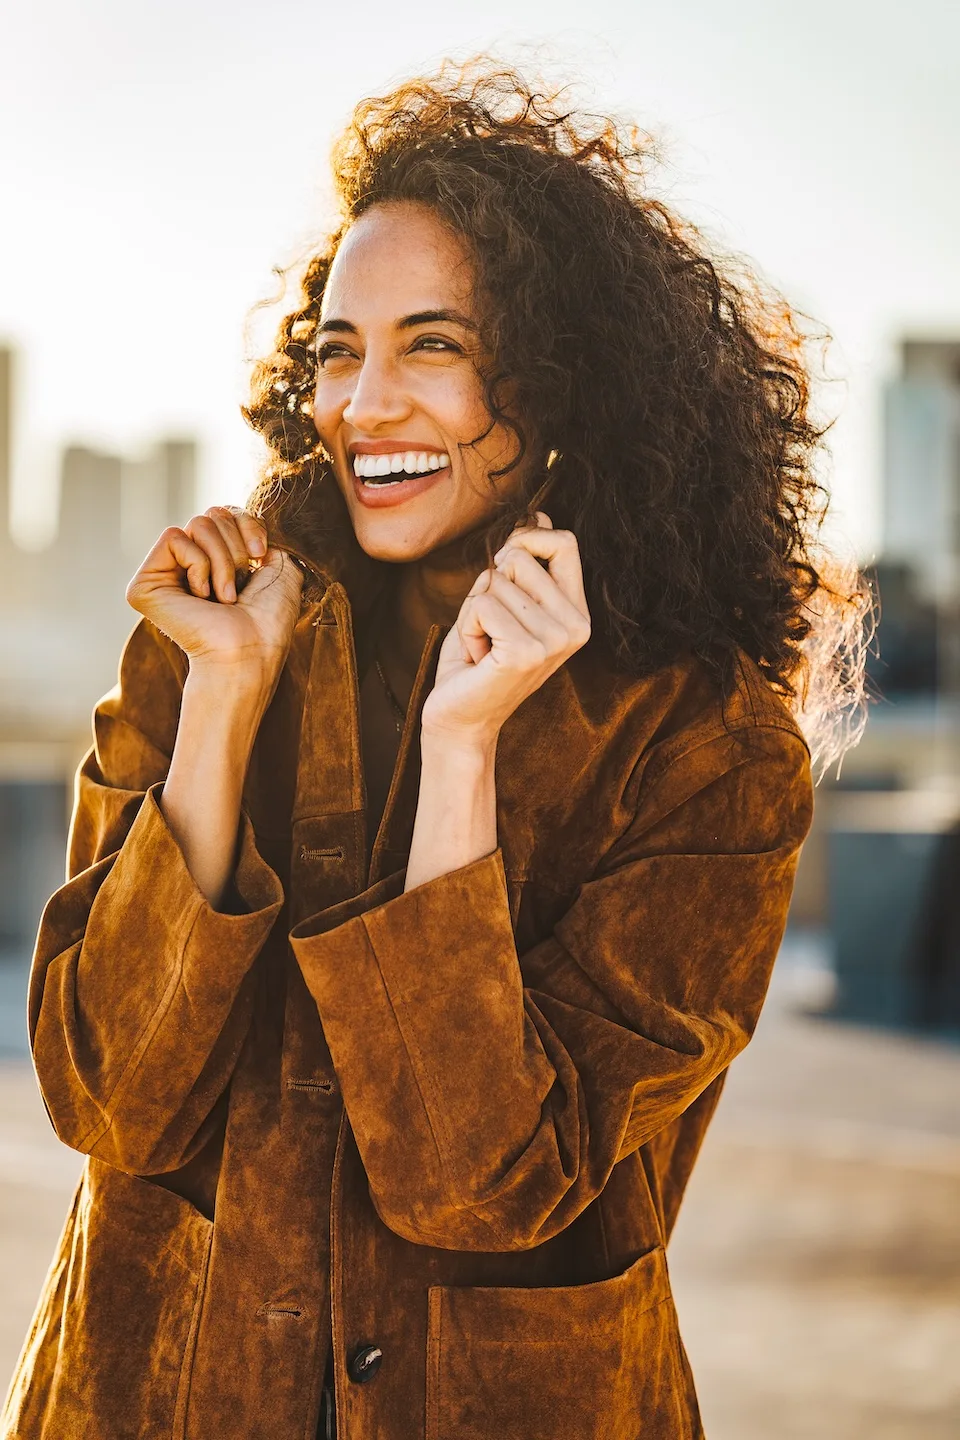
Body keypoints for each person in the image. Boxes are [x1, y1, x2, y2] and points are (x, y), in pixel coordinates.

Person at [2, 60, 867, 1440]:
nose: (366, 403)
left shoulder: (705, 749)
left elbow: (479, 1185)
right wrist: (223, 703)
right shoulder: (213, 627)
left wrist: (463, 752)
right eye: (340, 348)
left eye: (436, 346)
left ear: (566, 389)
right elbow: (108, 1098)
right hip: (152, 1396)